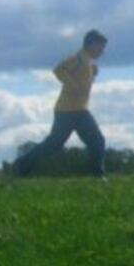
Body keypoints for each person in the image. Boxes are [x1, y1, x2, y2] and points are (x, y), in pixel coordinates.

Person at [14, 30, 108, 177]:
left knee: (95, 141)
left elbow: (82, 84)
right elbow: (58, 70)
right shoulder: (78, 58)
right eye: (101, 47)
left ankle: (98, 174)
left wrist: (93, 74)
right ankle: (23, 163)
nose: (103, 52)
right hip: (68, 111)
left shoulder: (88, 62)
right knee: (56, 144)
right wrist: (73, 85)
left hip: (78, 110)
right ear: (92, 44)